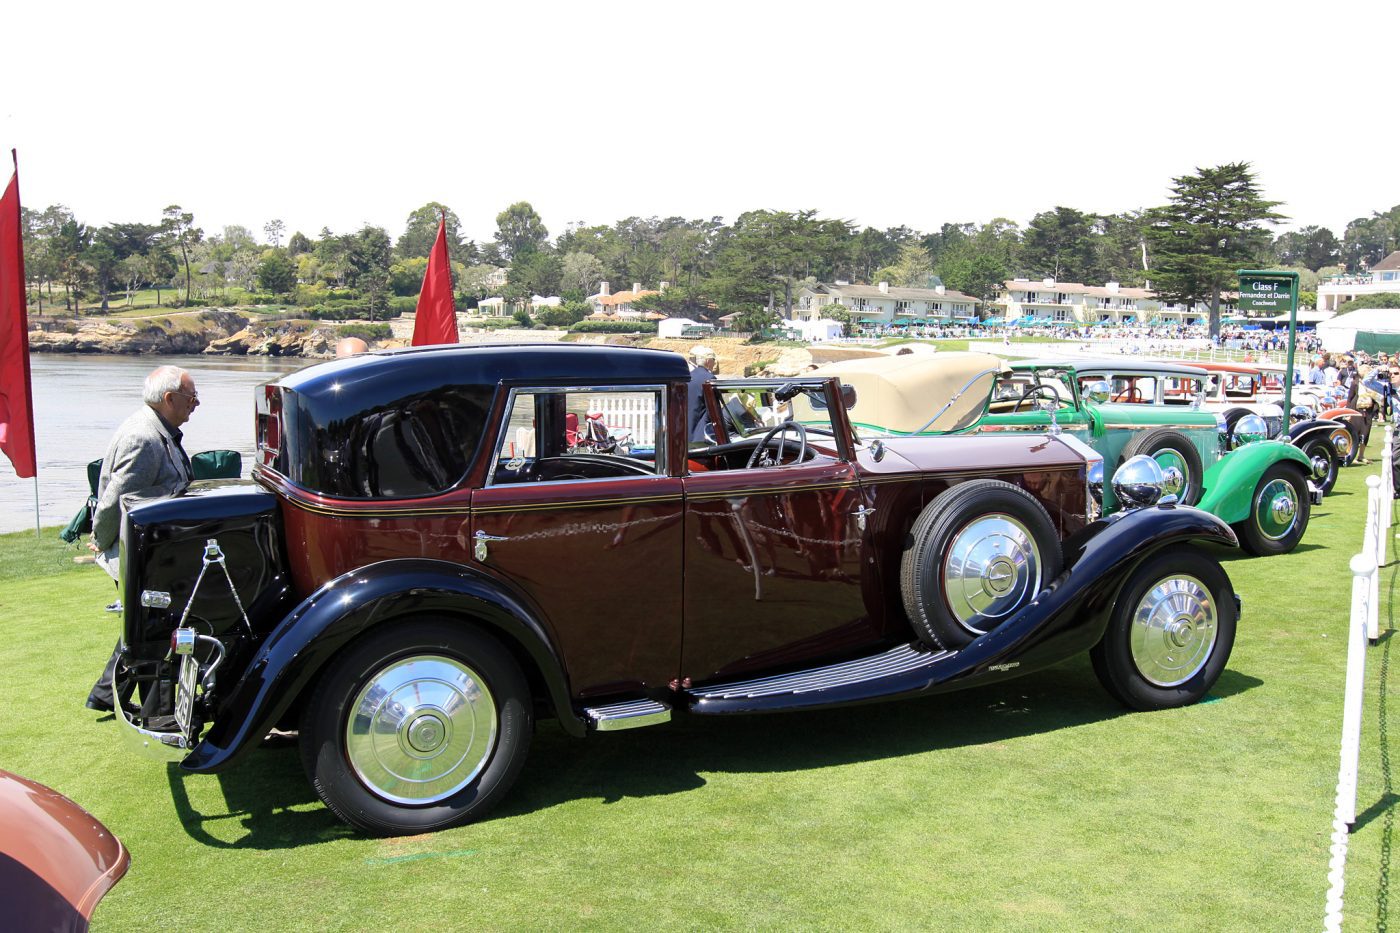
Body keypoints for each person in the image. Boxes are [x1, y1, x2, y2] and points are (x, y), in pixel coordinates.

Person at [85, 365, 199, 712]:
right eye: (191, 397)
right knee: (155, 632)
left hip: (150, 554)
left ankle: (105, 695)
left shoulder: (156, 429)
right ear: (169, 399)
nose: (196, 403)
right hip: (141, 558)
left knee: (142, 627)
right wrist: (103, 540)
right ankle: (159, 716)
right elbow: (116, 502)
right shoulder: (145, 438)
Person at [686, 345, 718, 443]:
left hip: (686, 428)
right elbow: (713, 408)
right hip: (701, 431)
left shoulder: (688, 376)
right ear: (708, 361)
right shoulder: (709, 378)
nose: (714, 363)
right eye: (713, 360)